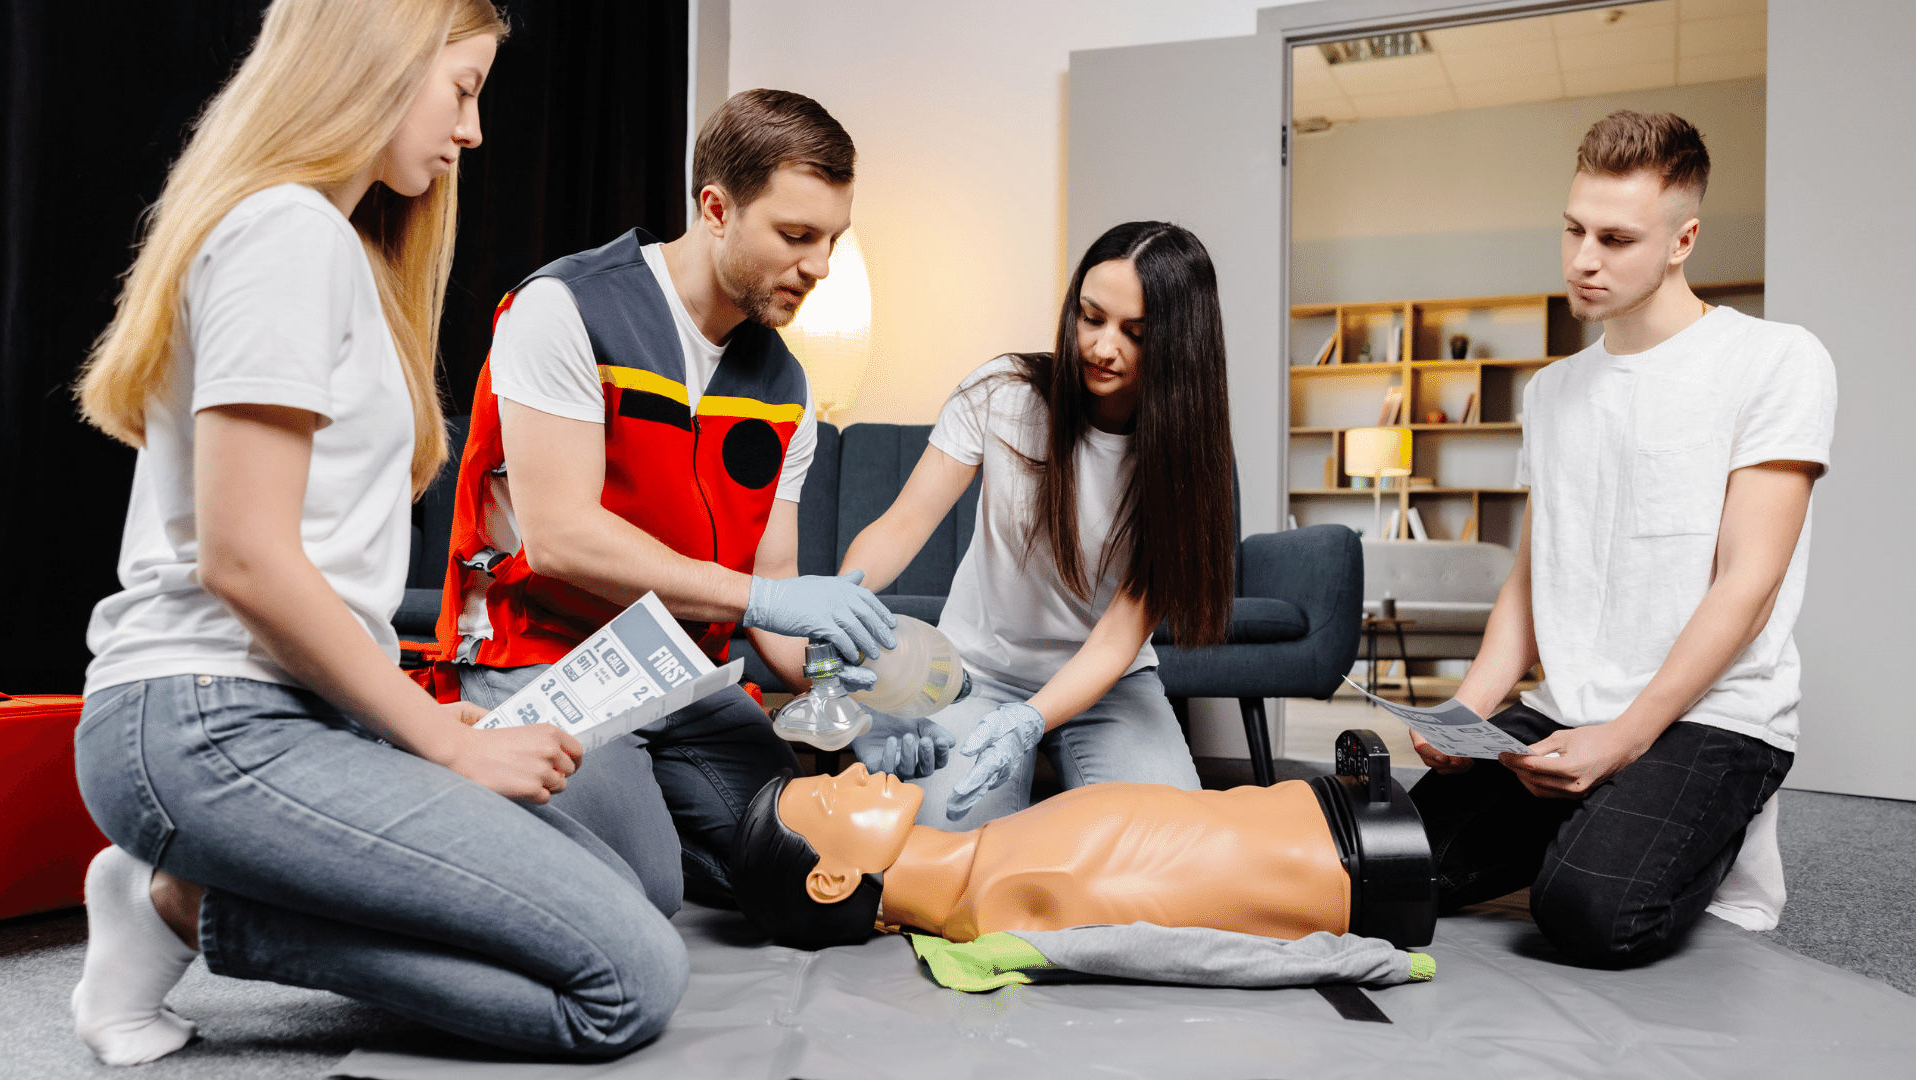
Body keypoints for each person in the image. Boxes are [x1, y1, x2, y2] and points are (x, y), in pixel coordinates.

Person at [69, 0, 688, 1066]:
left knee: (619, 899)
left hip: (292, 715)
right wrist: (450, 740)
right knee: (625, 984)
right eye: (461, 90)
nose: (474, 131)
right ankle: (182, 906)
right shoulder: (286, 234)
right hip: (206, 718)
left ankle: (195, 889)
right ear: (371, 62)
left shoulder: (333, 246)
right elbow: (244, 556)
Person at [438, 88, 895, 903]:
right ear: (716, 209)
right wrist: (768, 599)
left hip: (685, 679)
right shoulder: (564, 310)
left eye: (833, 239)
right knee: (641, 886)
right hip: (548, 662)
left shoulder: (785, 384)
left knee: (835, 869)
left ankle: (638, 813)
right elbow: (561, 539)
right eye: (797, 236)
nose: (820, 267)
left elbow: (777, 589)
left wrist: (849, 681)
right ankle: (468, 781)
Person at [1407, 110, 1835, 966]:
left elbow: (1747, 585)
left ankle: (1639, 826)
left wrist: (1624, 741)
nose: (1583, 260)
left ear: (1683, 240)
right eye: (1572, 229)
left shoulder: (1776, 359)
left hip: (1715, 716)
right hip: (1569, 709)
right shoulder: (1555, 388)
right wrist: (1470, 707)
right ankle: (1597, 817)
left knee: (1589, 913)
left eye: (1615, 237)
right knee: (1381, 867)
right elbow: (1532, 576)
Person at [837, 221, 1236, 824]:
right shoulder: (1001, 395)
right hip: (976, 674)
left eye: (1135, 332)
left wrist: (1031, 719)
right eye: (1091, 317)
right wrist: (839, 607)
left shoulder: (1187, 456)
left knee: (1168, 848)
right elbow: (904, 522)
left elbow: (1120, 634)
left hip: (1110, 685)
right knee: (945, 848)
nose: (1103, 348)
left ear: (1181, 343)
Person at [728, 762, 1390, 947]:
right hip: (1356, 862)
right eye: (830, 798)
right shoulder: (1014, 895)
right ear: (833, 879)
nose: (850, 774)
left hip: (1333, 816)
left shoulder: (998, 862)